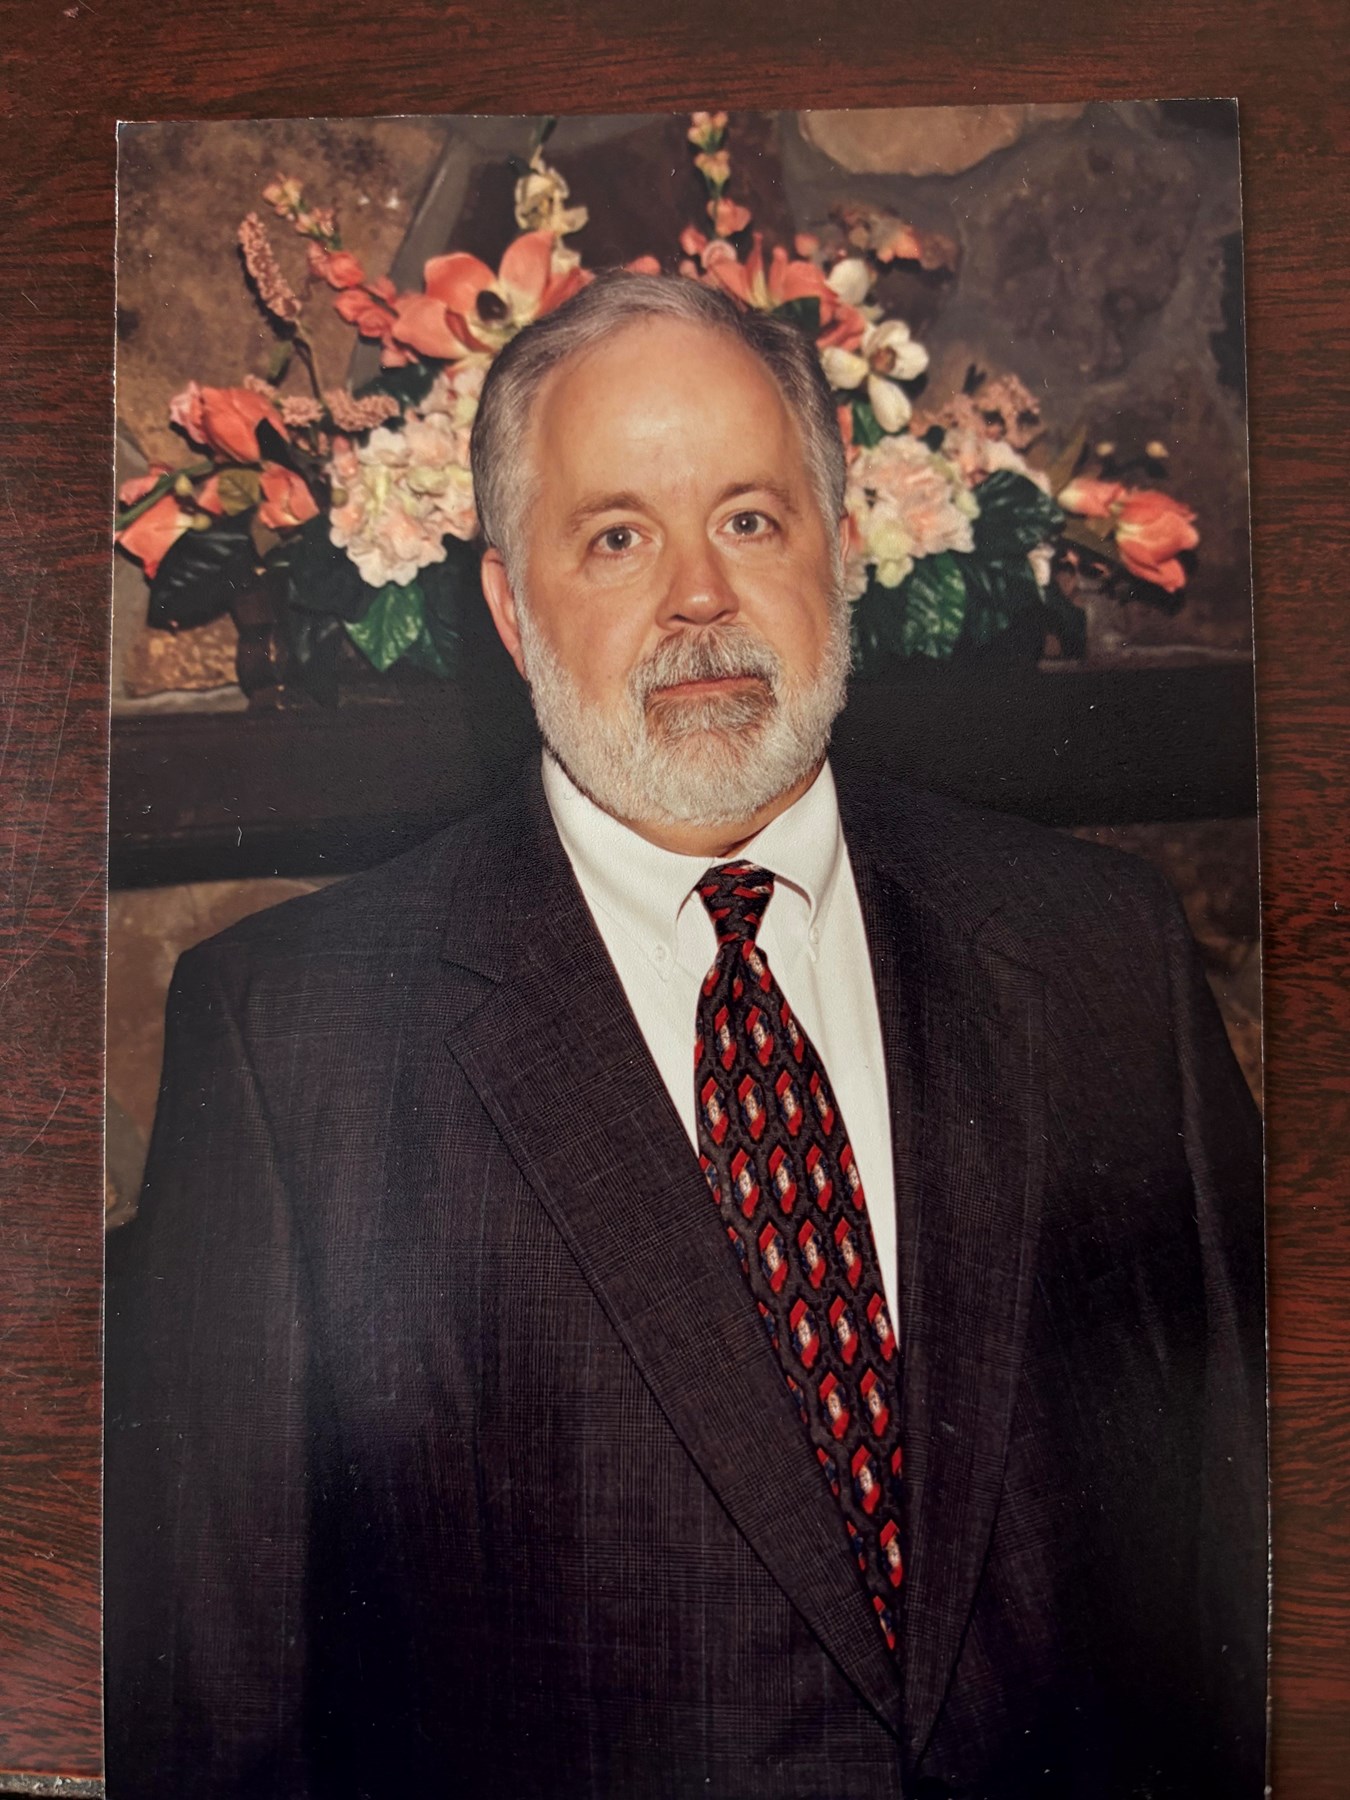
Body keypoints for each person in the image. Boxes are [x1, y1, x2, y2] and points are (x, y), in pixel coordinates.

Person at [104, 273, 1267, 1799]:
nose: (699, 596)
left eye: (749, 518)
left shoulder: (1095, 950)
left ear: (839, 551)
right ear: (510, 609)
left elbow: (1254, 1553)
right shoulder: (293, 1043)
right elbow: (220, 1719)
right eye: (615, 536)